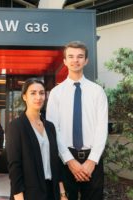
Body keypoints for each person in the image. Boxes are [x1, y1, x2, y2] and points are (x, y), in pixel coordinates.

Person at [46, 41, 108, 200]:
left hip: (93, 159)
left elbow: (102, 128)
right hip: (65, 159)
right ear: (65, 61)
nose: (75, 60)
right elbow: (53, 130)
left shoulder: (97, 91)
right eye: (71, 56)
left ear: (86, 60)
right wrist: (69, 160)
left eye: (80, 56)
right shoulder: (56, 93)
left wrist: (92, 160)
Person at [6, 78, 68, 200]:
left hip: (52, 191)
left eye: (41, 93)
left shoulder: (50, 127)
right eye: (33, 93)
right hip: (29, 193)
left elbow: (56, 162)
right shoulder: (16, 126)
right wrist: (19, 197)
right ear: (24, 97)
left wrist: (62, 193)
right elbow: (14, 166)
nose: (38, 97)